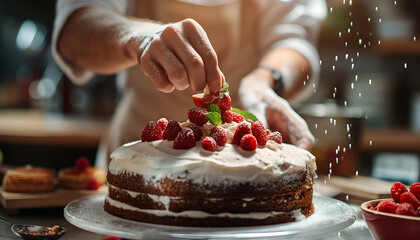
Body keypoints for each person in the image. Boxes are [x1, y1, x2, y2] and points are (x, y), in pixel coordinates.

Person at [52, 0, 327, 168]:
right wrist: (138, 37)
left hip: (242, 162)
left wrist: (266, 80)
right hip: (136, 160)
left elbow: (296, 40)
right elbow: (74, 28)